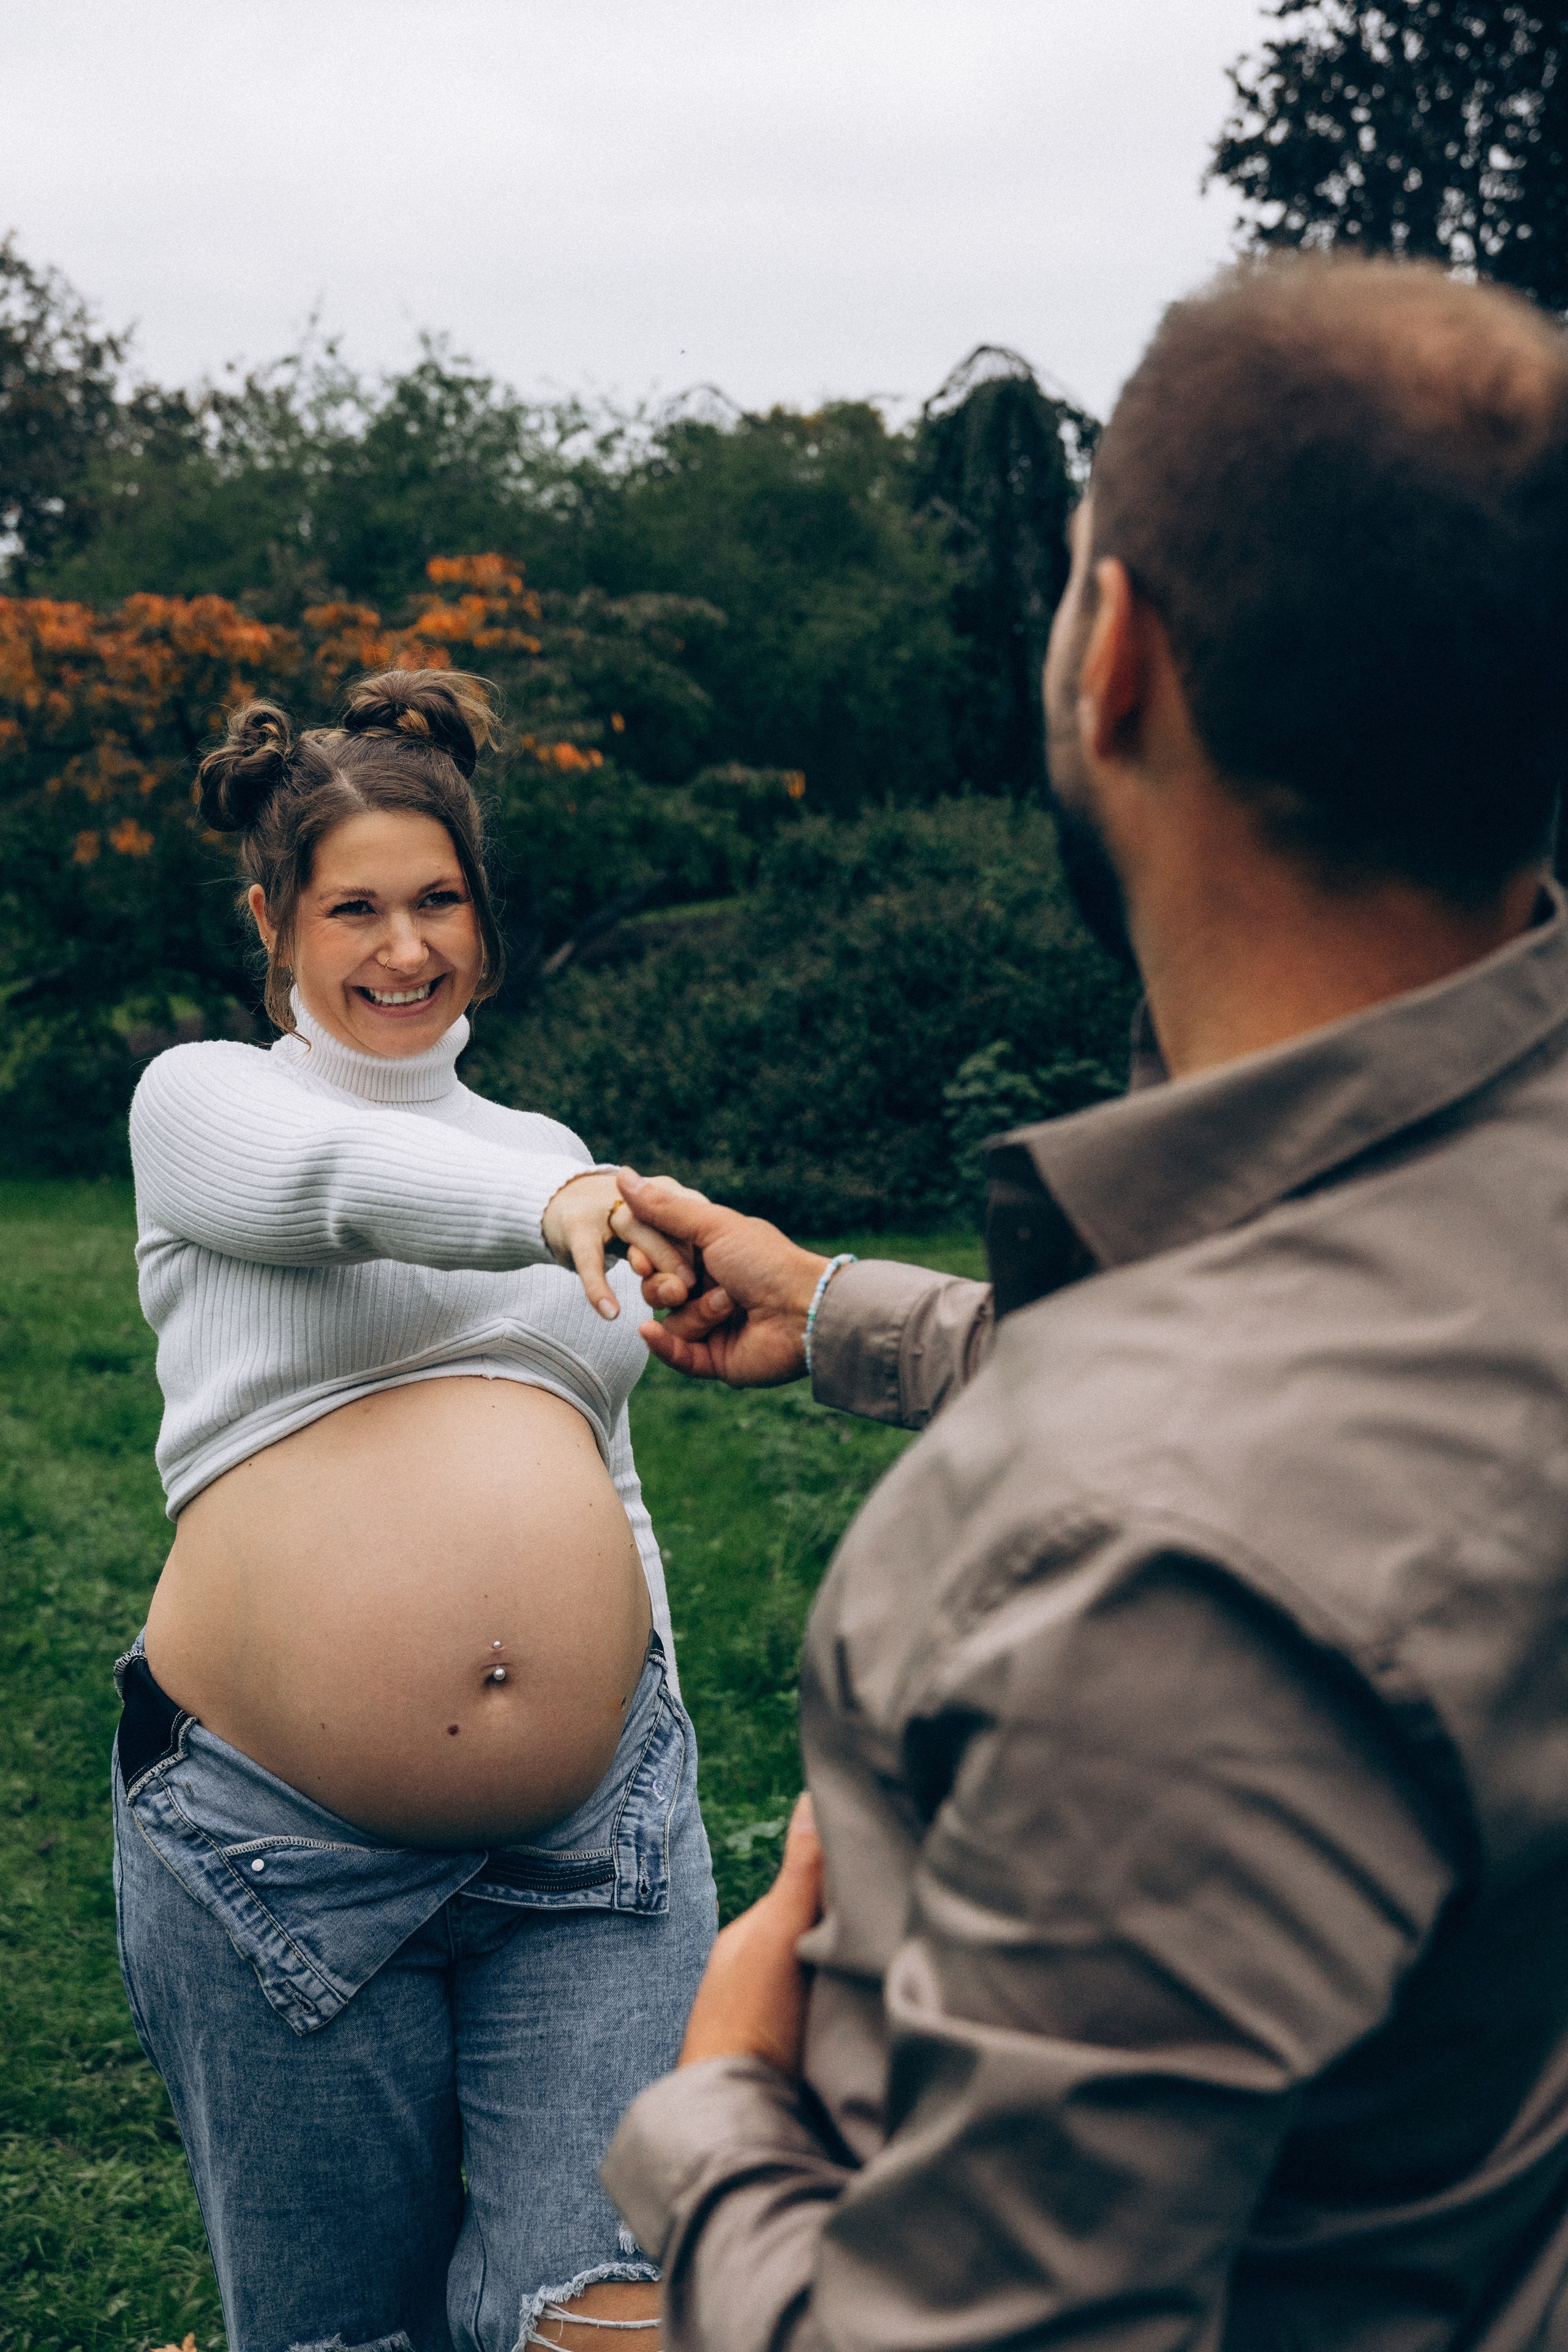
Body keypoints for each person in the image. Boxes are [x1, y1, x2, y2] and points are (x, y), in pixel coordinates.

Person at [598, 255, 1568, 2351]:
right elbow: (1360, 1392)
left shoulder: (1137, 1571)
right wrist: (848, 1312)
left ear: (1111, 656)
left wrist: (718, 2128)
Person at [112, 668, 716, 2352]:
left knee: (605, 2321)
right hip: (272, 1847)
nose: (404, 948)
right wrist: (560, 1202)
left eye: (438, 900)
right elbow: (343, 1188)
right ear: (275, 924)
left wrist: (648, 1713)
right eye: (356, 907)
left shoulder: (542, 1147)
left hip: (593, 1845)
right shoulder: (209, 1107)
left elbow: (600, 1469)